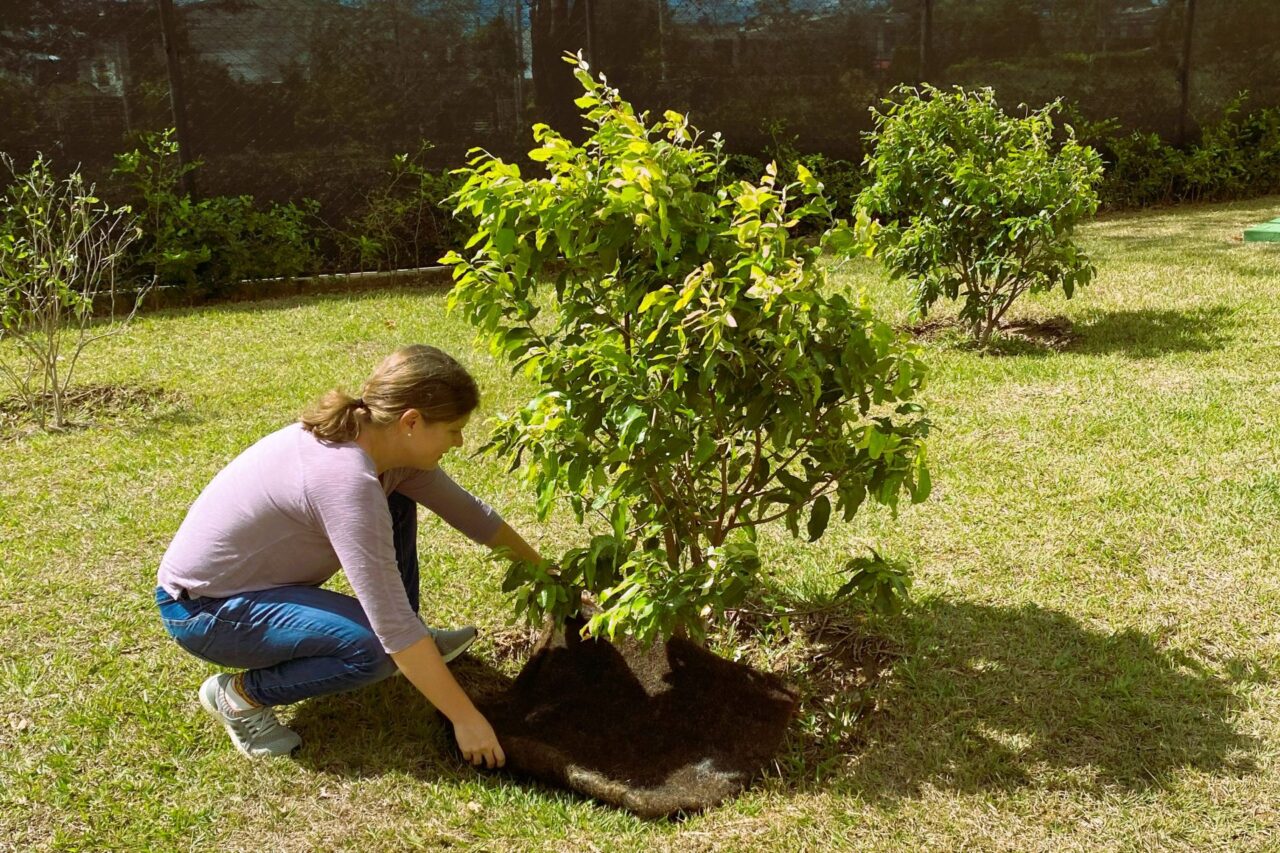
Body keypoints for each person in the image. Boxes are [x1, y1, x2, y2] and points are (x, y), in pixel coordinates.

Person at [155, 344, 542, 767]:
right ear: (411, 421)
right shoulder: (345, 480)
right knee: (376, 648)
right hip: (204, 611)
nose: (459, 441)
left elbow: (474, 516)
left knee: (396, 503)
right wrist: (466, 718)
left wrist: (548, 574)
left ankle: (417, 650)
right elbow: (391, 625)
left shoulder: (382, 444)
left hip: (254, 587)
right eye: (453, 429)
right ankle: (239, 696)